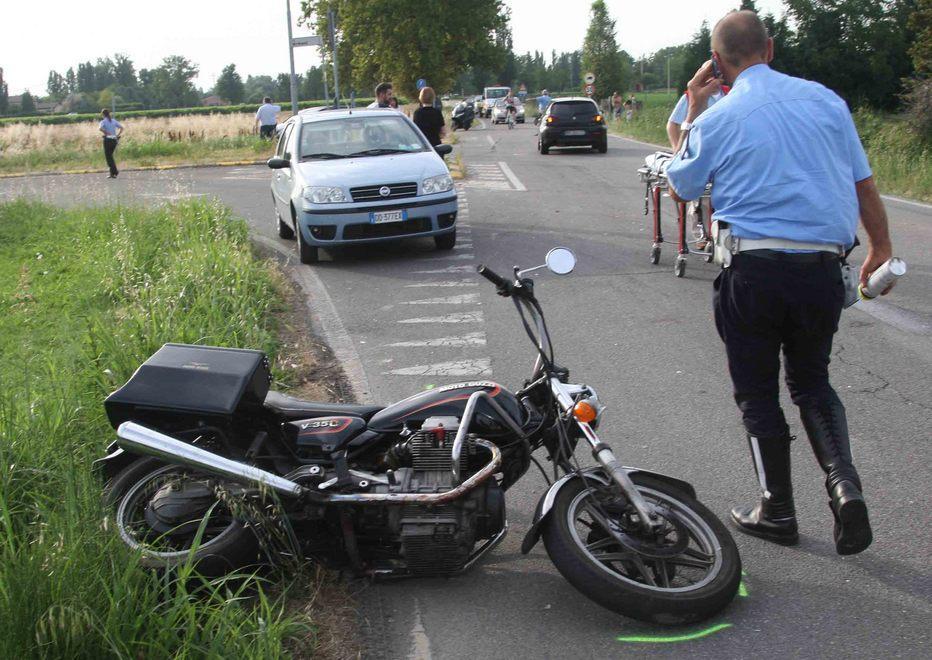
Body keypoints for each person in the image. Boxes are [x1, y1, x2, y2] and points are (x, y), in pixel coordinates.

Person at [665, 10, 894, 556]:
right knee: (813, 383)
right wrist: (881, 247)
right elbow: (862, 182)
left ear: (717, 62)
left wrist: (695, 109)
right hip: (821, 270)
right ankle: (845, 487)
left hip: (754, 272)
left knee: (758, 394)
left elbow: (682, 185)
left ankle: (778, 509)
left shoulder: (719, 116)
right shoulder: (826, 102)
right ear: (770, 49)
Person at [98, 108, 123, 179]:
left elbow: (100, 128)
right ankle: (112, 173)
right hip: (114, 140)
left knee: (108, 157)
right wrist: (117, 135)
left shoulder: (103, 121)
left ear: (103, 115)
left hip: (107, 140)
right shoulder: (113, 121)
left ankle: (115, 171)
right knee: (110, 157)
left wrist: (106, 133)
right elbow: (121, 128)